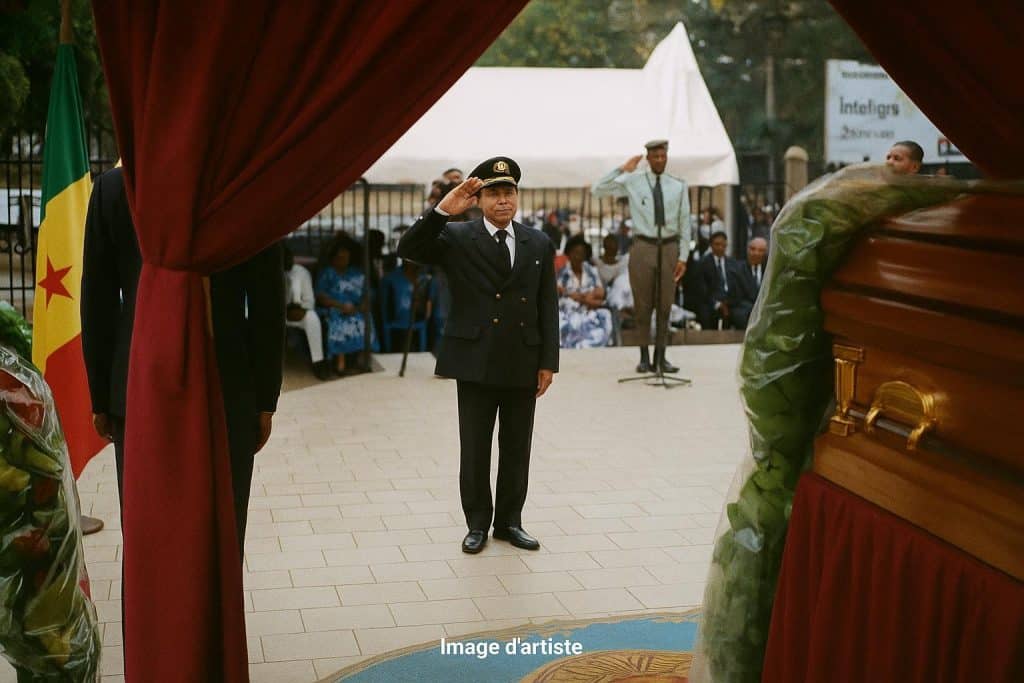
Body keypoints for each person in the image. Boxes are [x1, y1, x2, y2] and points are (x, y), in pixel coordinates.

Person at [81, 167, 285, 554]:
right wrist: (264, 397)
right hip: (226, 380)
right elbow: (267, 302)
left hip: (138, 381)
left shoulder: (114, 188)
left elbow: (98, 300)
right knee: (219, 534)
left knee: (149, 538)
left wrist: (102, 397)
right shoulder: (245, 182)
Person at [398, 156, 558, 554]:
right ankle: (477, 524)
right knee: (474, 448)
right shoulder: (457, 237)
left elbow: (547, 305)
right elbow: (409, 248)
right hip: (475, 358)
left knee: (517, 447)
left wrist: (548, 362)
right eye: (494, 193)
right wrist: (442, 211)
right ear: (480, 199)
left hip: (522, 358)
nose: (503, 200)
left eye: (509, 192)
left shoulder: (538, 242)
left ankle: (509, 522)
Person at [592, 139, 690, 373]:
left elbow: (685, 222)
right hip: (643, 246)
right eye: (655, 156)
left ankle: (661, 357)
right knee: (642, 304)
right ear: (648, 158)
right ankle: (644, 356)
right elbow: (598, 189)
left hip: (669, 246)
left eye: (663, 156)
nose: (659, 160)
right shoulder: (634, 181)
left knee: (665, 304)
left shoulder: (678, 185)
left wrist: (683, 256)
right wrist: (622, 169)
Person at [315, 231, 377, 375]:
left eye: (346, 257)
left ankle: (361, 359)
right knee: (338, 322)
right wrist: (341, 306)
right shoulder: (327, 273)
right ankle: (340, 363)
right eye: (340, 257)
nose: (343, 260)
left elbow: (367, 293)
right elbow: (321, 296)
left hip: (356, 309)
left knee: (365, 319)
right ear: (333, 258)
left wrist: (360, 306)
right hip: (335, 308)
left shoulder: (357, 273)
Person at [283, 244, 329, 380]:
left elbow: (309, 301)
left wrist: (299, 310)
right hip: (278, 313)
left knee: (312, 318)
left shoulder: (301, 272)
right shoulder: (270, 274)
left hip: (298, 311)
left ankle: (318, 362)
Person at [558, 235, 613, 349]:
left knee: (605, 315)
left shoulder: (592, 271)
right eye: (575, 253)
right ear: (569, 254)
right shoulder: (562, 273)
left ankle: (589, 344)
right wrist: (584, 298)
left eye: (581, 253)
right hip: (568, 311)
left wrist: (578, 297)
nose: (578, 256)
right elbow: (558, 293)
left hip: (589, 310)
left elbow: (601, 294)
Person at [726, 236, 767, 330]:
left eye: (760, 250)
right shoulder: (736, 270)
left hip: (765, 309)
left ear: (765, 253)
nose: (756, 253)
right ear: (747, 250)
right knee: (740, 314)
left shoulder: (770, 271)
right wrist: (756, 309)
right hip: (745, 310)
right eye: (753, 249)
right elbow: (736, 298)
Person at [697, 231, 736, 329]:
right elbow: (702, 290)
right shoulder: (703, 264)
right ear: (711, 245)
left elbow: (736, 286)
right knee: (705, 312)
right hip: (711, 301)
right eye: (717, 244)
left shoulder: (732, 263)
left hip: (729, 301)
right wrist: (718, 304)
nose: (720, 248)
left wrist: (728, 302)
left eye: (723, 245)